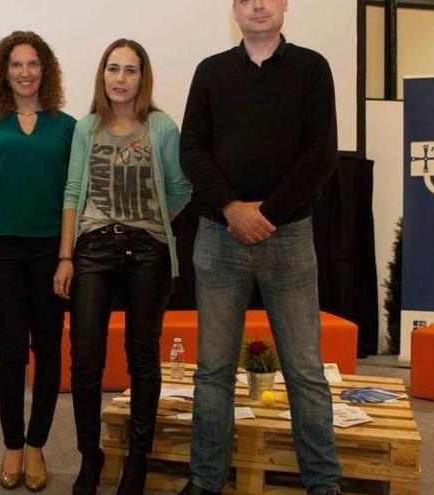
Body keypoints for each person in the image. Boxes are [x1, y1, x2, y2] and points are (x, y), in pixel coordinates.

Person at [178, 1, 342, 494]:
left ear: (284, 4)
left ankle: (323, 484)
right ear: (235, 10)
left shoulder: (313, 68)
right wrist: (233, 208)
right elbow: (192, 149)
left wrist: (264, 215)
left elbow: (322, 152)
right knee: (213, 372)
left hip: (288, 237)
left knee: (305, 372)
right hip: (218, 235)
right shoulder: (210, 72)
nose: (258, 5)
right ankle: (205, 482)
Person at [53, 39, 191, 495]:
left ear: (142, 78)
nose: (120, 78)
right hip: (92, 248)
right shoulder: (86, 127)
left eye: (130, 70)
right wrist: (66, 255)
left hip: (148, 252)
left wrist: (149, 225)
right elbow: (73, 190)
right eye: (113, 69)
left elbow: (180, 189)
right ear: (103, 74)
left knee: (143, 358)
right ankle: (90, 458)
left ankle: (137, 461)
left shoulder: (163, 127)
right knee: (86, 358)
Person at [0, 30, 76, 492]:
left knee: (47, 350)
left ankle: (36, 445)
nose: (25, 73)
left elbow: (75, 192)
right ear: (3, 72)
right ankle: (13, 444)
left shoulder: (67, 127)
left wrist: (66, 254)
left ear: (44, 71)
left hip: (50, 249)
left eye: (33, 64)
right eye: (16, 65)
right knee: (11, 352)